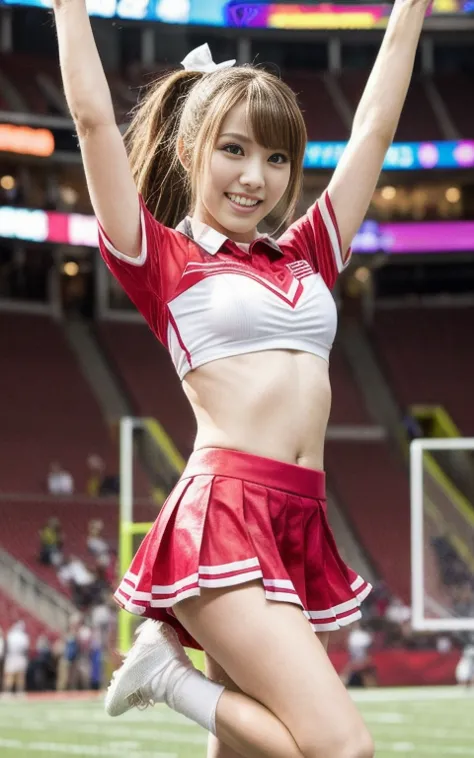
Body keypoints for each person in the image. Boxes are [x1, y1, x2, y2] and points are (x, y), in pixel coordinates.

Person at [52, 0, 431, 755]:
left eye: (278, 158)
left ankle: (172, 677)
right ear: (193, 149)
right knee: (339, 748)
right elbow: (95, 122)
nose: (256, 178)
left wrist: (412, 7)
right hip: (224, 519)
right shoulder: (162, 260)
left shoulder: (307, 255)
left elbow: (375, 129)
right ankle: (164, 674)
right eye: (234, 150)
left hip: (299, 521)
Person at [3, 620, 30, 694]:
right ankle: (19, 691)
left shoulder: (10, 634)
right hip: (19, 657)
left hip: (12, 656)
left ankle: (8, 691)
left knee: (11, 675)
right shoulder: (23, 636)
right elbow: (26, 649)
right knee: (19, 676)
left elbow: (6, 647)